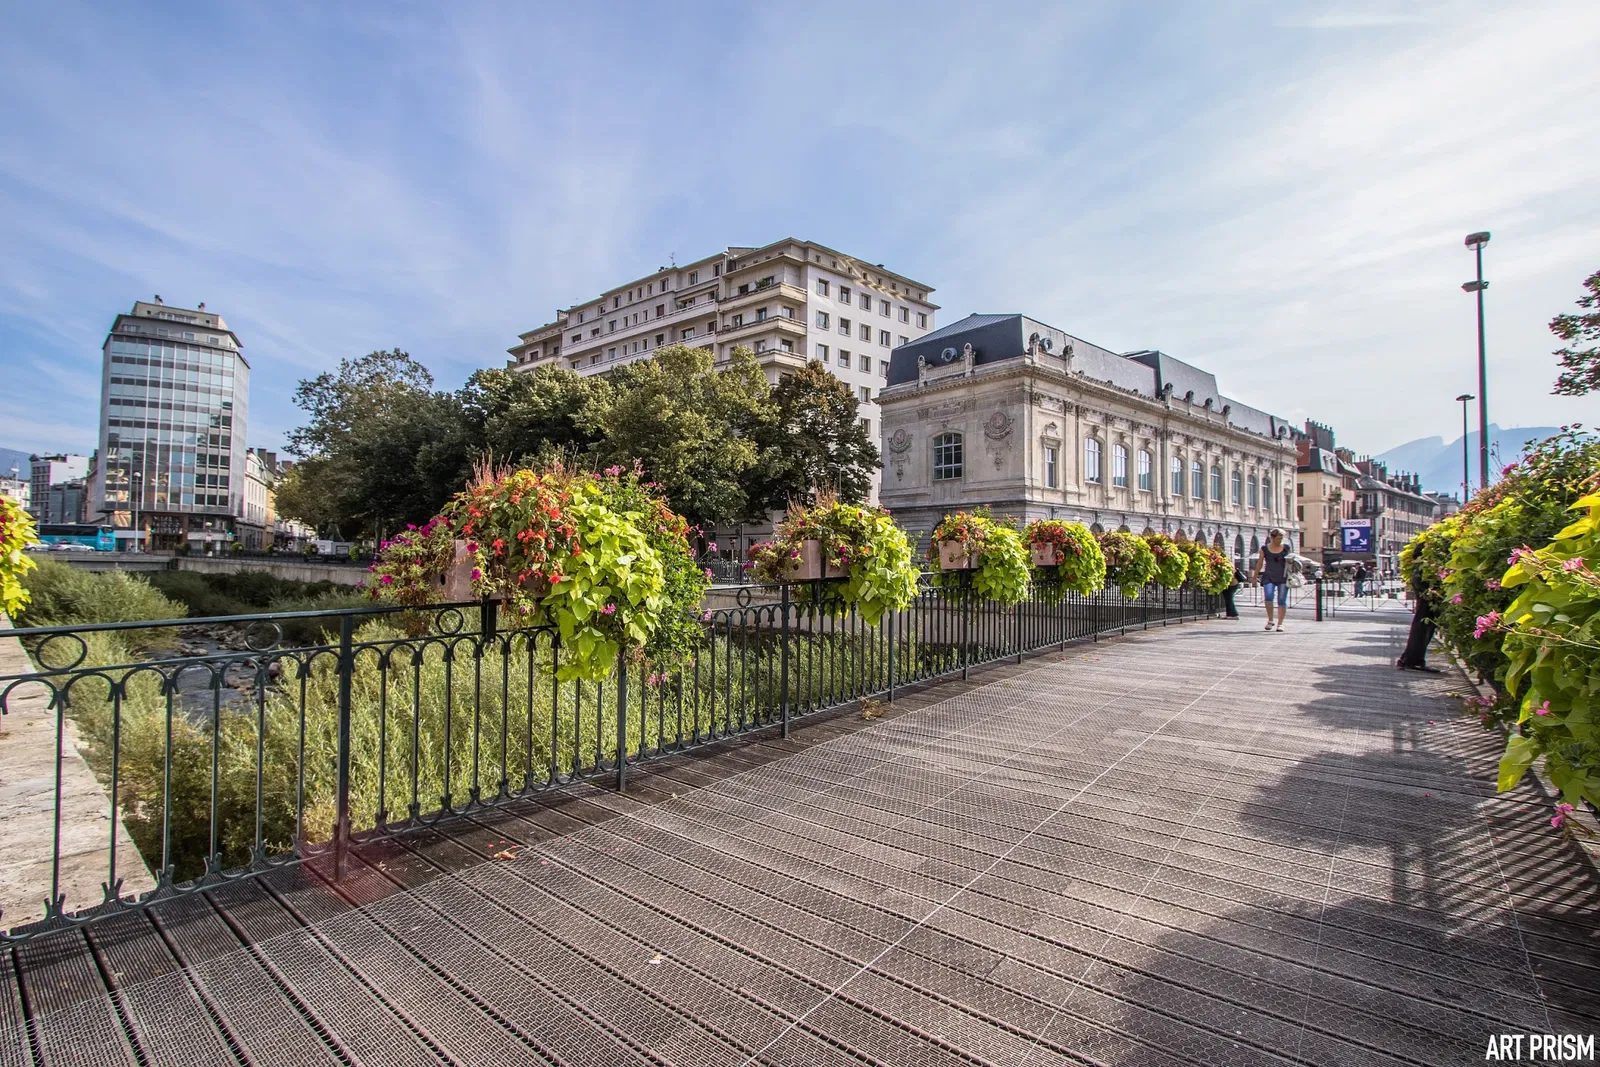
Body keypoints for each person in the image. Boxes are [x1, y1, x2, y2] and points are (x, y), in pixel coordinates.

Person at [1397, 559, 1441, 672]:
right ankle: (1412, 660)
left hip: (1425, 600)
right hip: (1427, 601)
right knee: (1422, 629)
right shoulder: (1423, 572)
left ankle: (1411, 659)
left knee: (1422, 629)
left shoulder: (1419, 571)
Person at [1253, 528, 1291, 631]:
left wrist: (1291, 561)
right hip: (1269, 576)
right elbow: (1260, 563)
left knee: (1282, 600)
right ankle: (1270, 620)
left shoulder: (1286, 548)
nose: (1280, 540)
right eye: (1278, 538)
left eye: (1282, 538)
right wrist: (1254, 577)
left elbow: (1291, 562)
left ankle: (1280, 624)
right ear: (1272, 538)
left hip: (1283, 577)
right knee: (1269, 596)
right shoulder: (1264, 549)